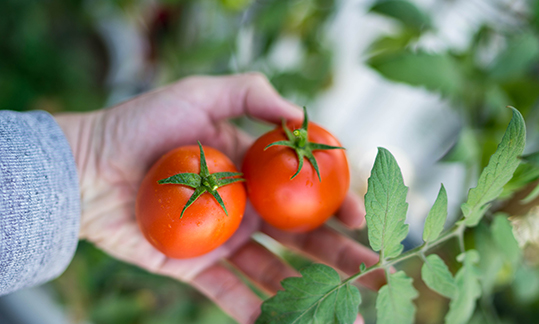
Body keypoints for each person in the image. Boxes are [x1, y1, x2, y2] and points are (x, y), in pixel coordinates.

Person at [0, 73, 384, 324]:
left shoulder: (235, 174)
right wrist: (84, 159)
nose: (300, 140)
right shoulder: (231, 177)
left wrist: (79, 162)